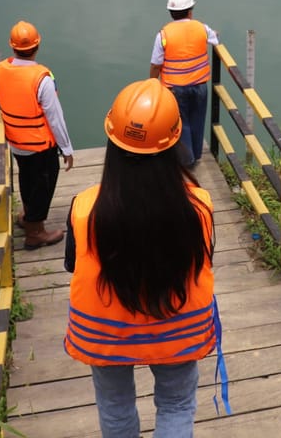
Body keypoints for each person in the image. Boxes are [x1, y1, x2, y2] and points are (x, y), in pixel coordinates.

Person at [64, 79, 224, 437]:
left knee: (114, 405)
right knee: (176, 404)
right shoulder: (199, 206)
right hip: (177, 326)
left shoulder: (83, 207)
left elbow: (74, 265)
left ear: (112, 141)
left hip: (104, 328)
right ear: (175, 142)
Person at [0, 20, 74, 250]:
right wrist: (67, 149)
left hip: (16, 143)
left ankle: (27, 217)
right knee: (42, 187)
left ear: (12, 46)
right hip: (40, 146)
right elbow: (55, 118)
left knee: (27, 180)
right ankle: (35, 233)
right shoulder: (42, 79)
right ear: (37, 46)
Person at [149, 0, 219, 167]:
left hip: (175, 88)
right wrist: (214, 33)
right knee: (197, 120)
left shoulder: (163, 34)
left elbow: (156, 64)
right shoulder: (201, 28)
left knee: (181, 123)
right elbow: (214, 38)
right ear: (190, 11)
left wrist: (152, 83)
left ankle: (187, 160)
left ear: (171, 13)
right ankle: (196, 155)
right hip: (200, 85)